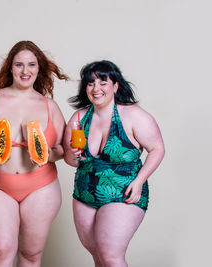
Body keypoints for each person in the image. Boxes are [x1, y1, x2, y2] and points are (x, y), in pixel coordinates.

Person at [0, 40, 68, 266]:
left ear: (39, 69)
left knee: (31, 255)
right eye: (19, 65)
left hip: (40, 188)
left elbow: (63, 148)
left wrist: (46, 154)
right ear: (10, 68)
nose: (25, 71)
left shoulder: (50, 106)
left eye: (31, 65)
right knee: (0, 251)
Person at [63, 60, 165, 267]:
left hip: (124, 191)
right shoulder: (79, 118)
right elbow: (70, 160)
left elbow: (157, 148)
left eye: (103, 82)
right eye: (90, 83)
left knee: (110, 254)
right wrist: (74, 155)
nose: (96, 88)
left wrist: (140, 181)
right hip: (85, 193)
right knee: (98, 256)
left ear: (115, 86)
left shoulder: (133, 115)